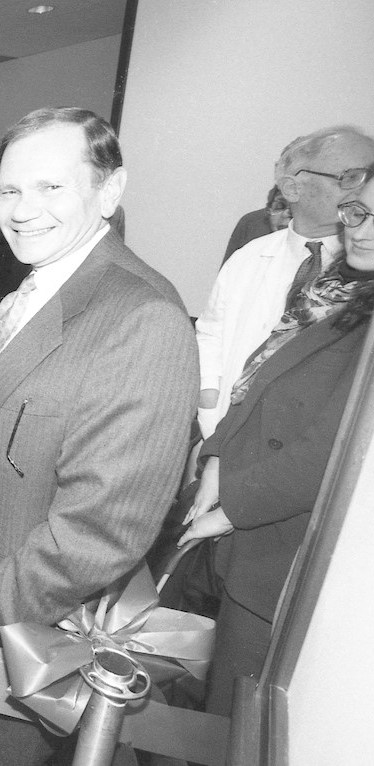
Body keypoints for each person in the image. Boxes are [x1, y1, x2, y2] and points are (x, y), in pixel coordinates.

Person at [0, 107, 198, 766]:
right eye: (10, 190)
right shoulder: (34, 285)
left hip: (26, 630)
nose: (23, 209)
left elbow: (100, 527)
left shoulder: (143, 318)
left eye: (51, 187)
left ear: (109, 190)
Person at [178, 175, 374, 716]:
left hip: (281, 541)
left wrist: (228, 510)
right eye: (357, 211)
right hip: (241, 503)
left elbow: (333, 452)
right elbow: (258, 376)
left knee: (236, 713)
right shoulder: (337, 287)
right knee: (203, 690)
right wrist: (216, 456)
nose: (360, 230)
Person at [196, 126, 374, 438]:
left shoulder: (363, 272)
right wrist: (210, 415)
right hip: (219, 438)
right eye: (351, 176)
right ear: (292, 188)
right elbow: (210, 338)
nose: (365, 188)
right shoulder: (248, 257)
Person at [222, 185, 292, 264]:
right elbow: (228, 271)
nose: (286, 214)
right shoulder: (250, 224)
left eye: (296, 208)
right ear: (268, 210)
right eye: (280, 206)